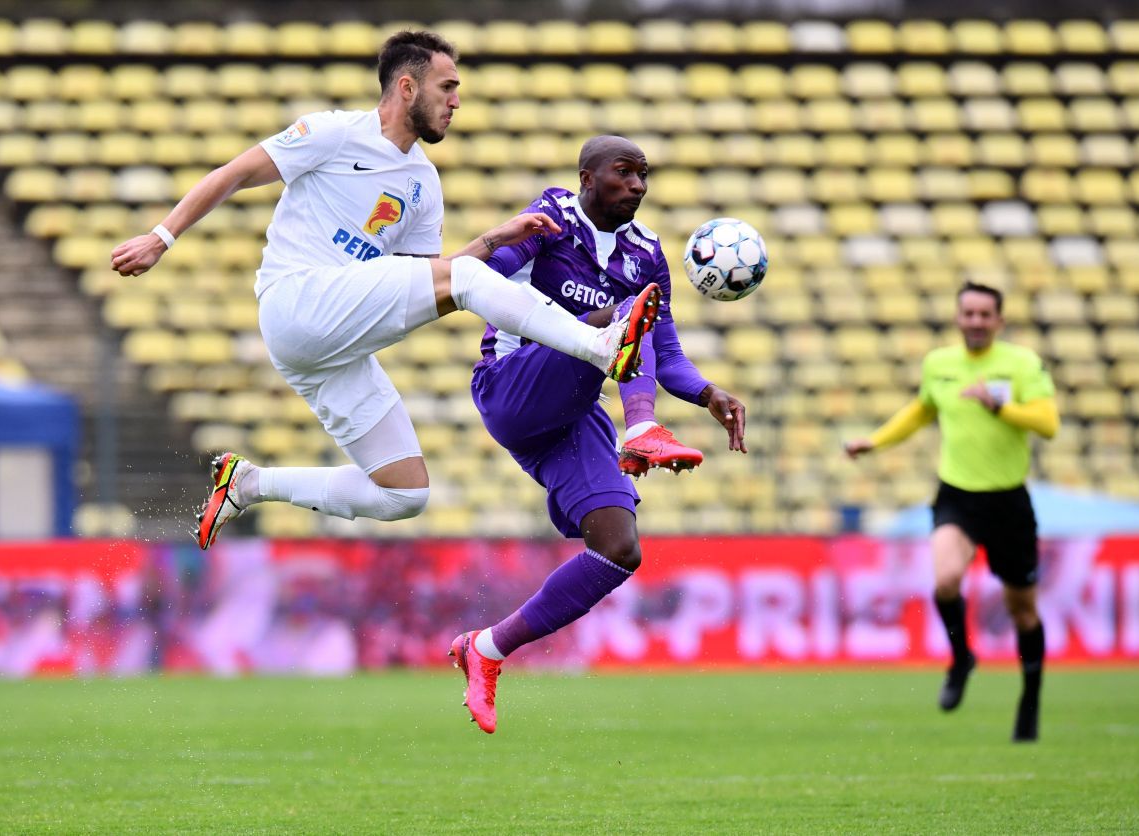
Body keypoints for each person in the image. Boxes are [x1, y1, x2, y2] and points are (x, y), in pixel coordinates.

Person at [109, 31, 658, 549]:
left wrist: (494, 239)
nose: (457, 102)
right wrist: (162, 237)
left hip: (328, 349)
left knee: (404, 492)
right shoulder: (333, 132)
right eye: (448, 87)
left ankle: (249, 485)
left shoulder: (424, 184)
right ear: (407, 86)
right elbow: (234, 173)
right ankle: (599, 345)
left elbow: (426, 283)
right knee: (466, 281)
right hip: (299, 299)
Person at [448, 135, 747, 734]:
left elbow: (666, 352)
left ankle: (487, 650)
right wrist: (503, 244)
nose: (637, 185)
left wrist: (710, 393)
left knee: (618, 549)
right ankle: (641, 427)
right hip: (512, 386)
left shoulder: (646, 254)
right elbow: (471, 281)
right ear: (587, 177)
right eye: (624, 172)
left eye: (644, 175)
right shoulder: (551, 222)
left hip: (573, 410)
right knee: (619, 316)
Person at [844, 282, 1058, 742]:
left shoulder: (1021, 364)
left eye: (985, 314)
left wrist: (1003, 407)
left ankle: (1030, 700)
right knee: (944, 581)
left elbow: (1049, 423)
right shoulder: (939, 364)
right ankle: (962, 657)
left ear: (999, 321)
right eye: (969, 313)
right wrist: (875, 441)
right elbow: (922, 411)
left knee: (1024, 611)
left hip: (1008, 501)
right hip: (957, 496)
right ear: (958, 317)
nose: (976, 322)